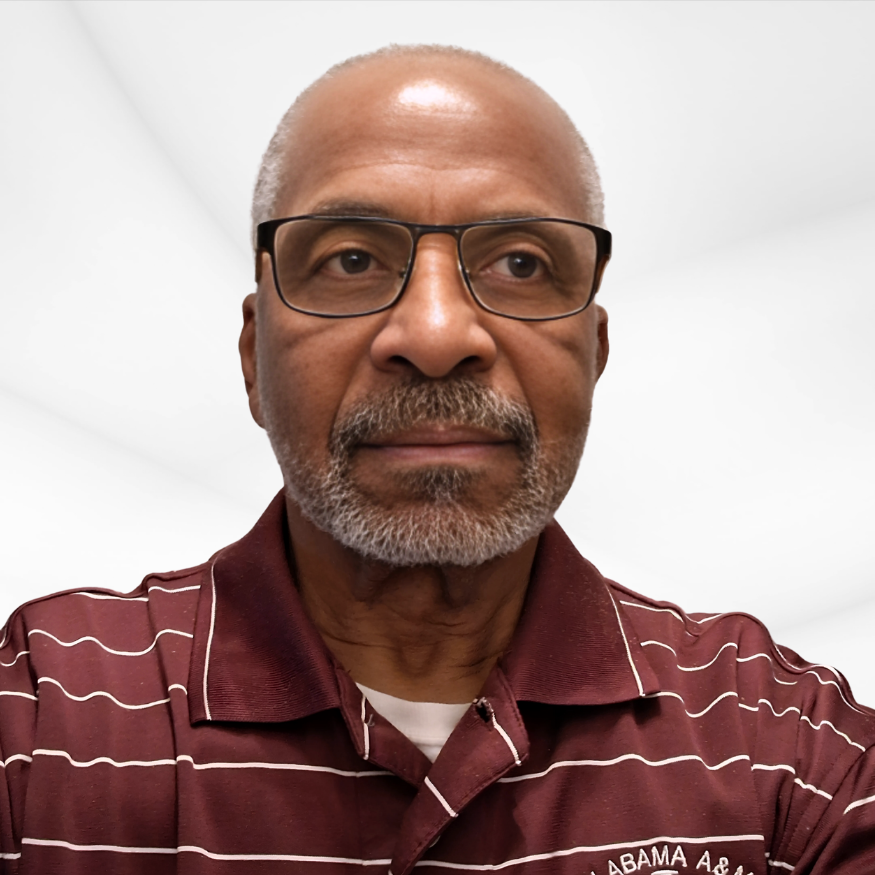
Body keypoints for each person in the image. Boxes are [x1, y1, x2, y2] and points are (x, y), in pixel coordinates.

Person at [0, 44, 872, 875]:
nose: (434, 335)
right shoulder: (43, 716)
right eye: (349, 259)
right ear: (252, 357)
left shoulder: (783, 745)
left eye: (521, 262)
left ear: (594, 354)